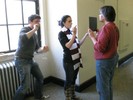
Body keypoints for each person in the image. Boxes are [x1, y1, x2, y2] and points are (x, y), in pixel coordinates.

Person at [13, 14, 49, 100]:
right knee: (25, 86)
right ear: (30, 22)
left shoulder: (35, 35)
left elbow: (37, 49)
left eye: (39, 22)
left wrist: (43, 49)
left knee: (40, 78)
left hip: (30, 60)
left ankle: (38, 97)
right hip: (21, 60)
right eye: (36, 22)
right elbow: (23, 38)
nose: (38, 24)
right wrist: (34, 29)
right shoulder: (25, 29)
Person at [88, 6, 119, 100]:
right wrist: (99, 33)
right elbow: (112, 40)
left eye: (100, 13)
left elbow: (100, 47)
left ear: (104, 16)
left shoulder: (106, 28)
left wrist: (92, 37)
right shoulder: (114, 26)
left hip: (104, 62)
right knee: (108, 84)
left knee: (102, 88)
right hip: (113, 58)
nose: (99, 15)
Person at [58, 15, 88, 100]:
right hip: (69, 61)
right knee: (69, 80)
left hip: (76, 59)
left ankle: (73, 96)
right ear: (64, 23)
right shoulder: (61, 33)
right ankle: (67, 98)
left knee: (73, 79)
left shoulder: (70, 32)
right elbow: (67, 46)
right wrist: (74, 34)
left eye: (71, 21)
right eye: (69, 21)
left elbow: (78, 44)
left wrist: (86, 35)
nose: (71, 23)